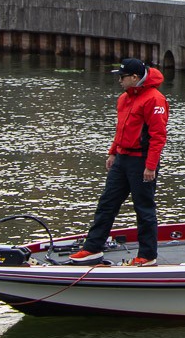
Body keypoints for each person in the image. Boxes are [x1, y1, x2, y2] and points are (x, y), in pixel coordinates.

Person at [71, 57, 169, 265]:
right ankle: (93, 248)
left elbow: (158, 136)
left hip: (141, 161)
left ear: (135, 77)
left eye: (123, 77)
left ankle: (147, 255)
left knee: (144, 208)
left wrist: (150, 166)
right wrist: (113, 152)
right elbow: (121, 129)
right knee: (107, 203)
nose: (120, 81)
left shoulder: (155, 99)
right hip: (122, 159)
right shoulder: (124, 98)